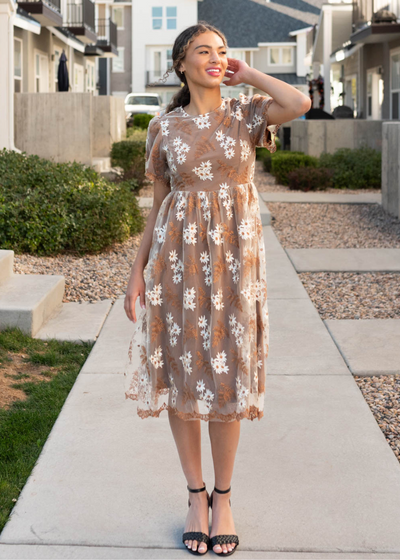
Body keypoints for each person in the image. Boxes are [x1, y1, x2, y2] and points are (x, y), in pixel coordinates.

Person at [124, 21, 311, 557]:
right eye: (203, 50)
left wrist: (248, 72)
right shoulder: (164, 127)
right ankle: (195, 496)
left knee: (226, 377)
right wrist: (136, 273)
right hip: (176, 266)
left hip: (236, 268)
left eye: (223, 50)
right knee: (183, 377)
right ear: (181, 64)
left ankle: (224, 498)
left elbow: (298, 102)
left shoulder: (247, 111)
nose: (215, 57)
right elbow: (158, 206)